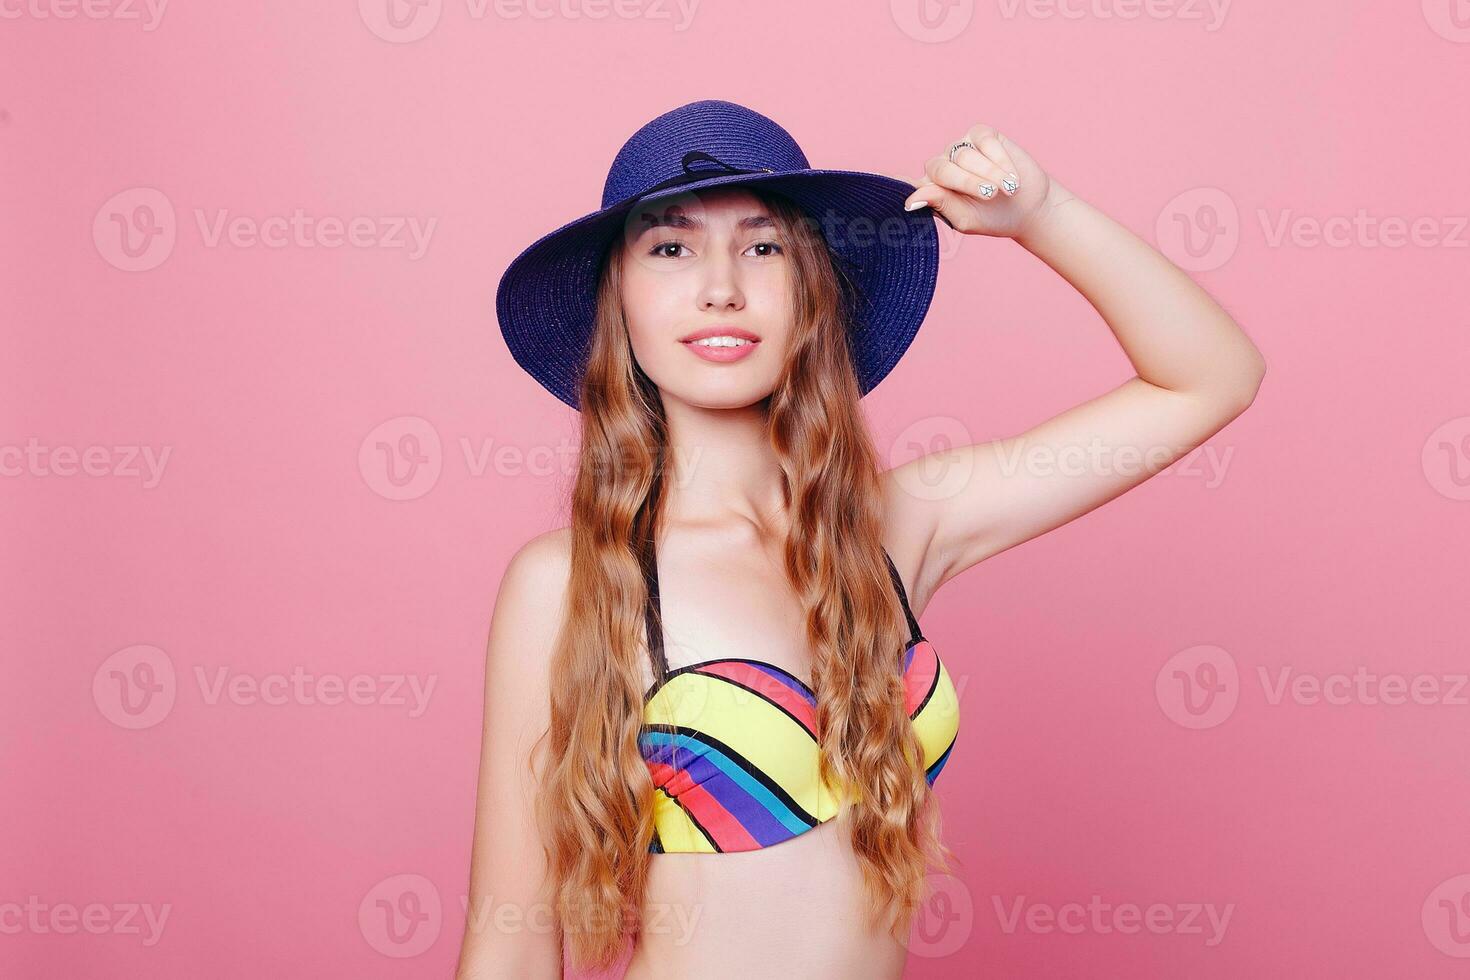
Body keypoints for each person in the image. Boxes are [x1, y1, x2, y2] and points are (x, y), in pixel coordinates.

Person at [456, 99, 1265, 980]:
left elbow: (1210, 378)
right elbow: (511, 936)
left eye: (764, 247)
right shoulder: (569, 581)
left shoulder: (899, 528)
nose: (721, 285)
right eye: (670, 248)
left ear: (815, 290)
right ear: (618, 299)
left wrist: (1043, 215)